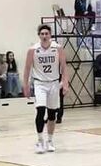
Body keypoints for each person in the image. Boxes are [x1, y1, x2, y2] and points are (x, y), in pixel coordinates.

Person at [23, 24, 69, 153]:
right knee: (40, 110)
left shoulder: (58, 48)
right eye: (42, 34)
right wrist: (25, 85)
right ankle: (39, 141)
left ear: (50, 35)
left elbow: (64, 67)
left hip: (54, 83)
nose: (44, 36)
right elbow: (27, 68)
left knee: (52, 114)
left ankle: (50, 140)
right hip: (40, 84)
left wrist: (65, 83)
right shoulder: (33, 50)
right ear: (39, 35)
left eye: (46, 33)